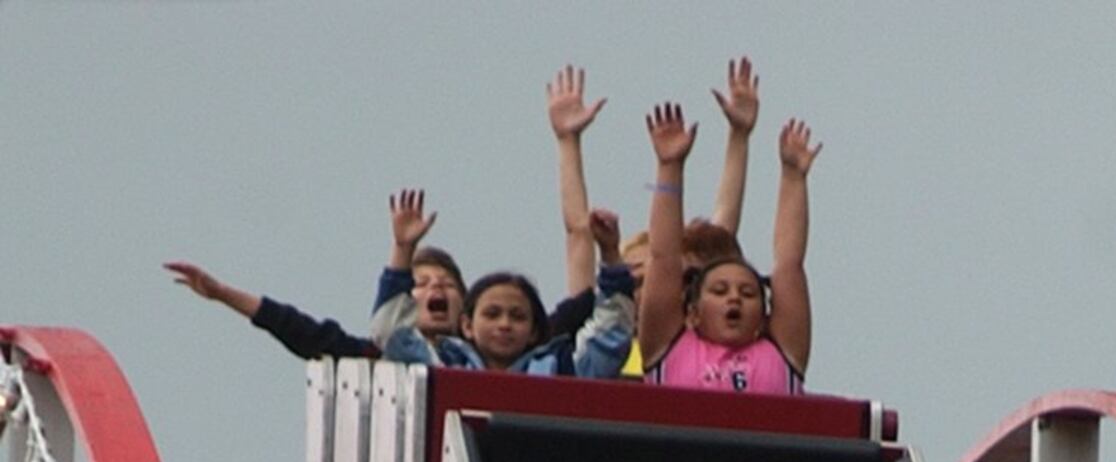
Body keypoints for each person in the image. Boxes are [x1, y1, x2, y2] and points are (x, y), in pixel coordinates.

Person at [556, 57, 762, 377]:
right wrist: (568, 142)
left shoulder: (693, 348)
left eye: (658, 280)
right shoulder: (601, 338)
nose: (646, 291)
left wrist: (739, 136)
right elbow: (579, 235)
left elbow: (722, 234)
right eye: (637, 282)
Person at [638, 100, 818, 392]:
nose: (734, 299)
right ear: (693, 312)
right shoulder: (668, 349)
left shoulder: (782, 354)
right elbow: (664, 259)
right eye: (719, 291)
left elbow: (789, 264)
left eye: (748, 293)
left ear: (764, 315)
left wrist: (793, 177)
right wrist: (669, 167)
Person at [168, 191, 468, 364]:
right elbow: (298, 328)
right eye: (422, 283)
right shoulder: (376, 355)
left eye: (448, 284)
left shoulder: (481, 358)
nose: (437, 287)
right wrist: (221, 293)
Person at [383, 232, 634, 376]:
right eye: (492, 314)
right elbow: (391, 335)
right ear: (467, 325)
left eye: (518, 316)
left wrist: (610, 253)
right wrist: (403, 250)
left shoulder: (557, 368)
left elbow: (610, 338)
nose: (505, 324)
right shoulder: (446, 367)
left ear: (534, 330)